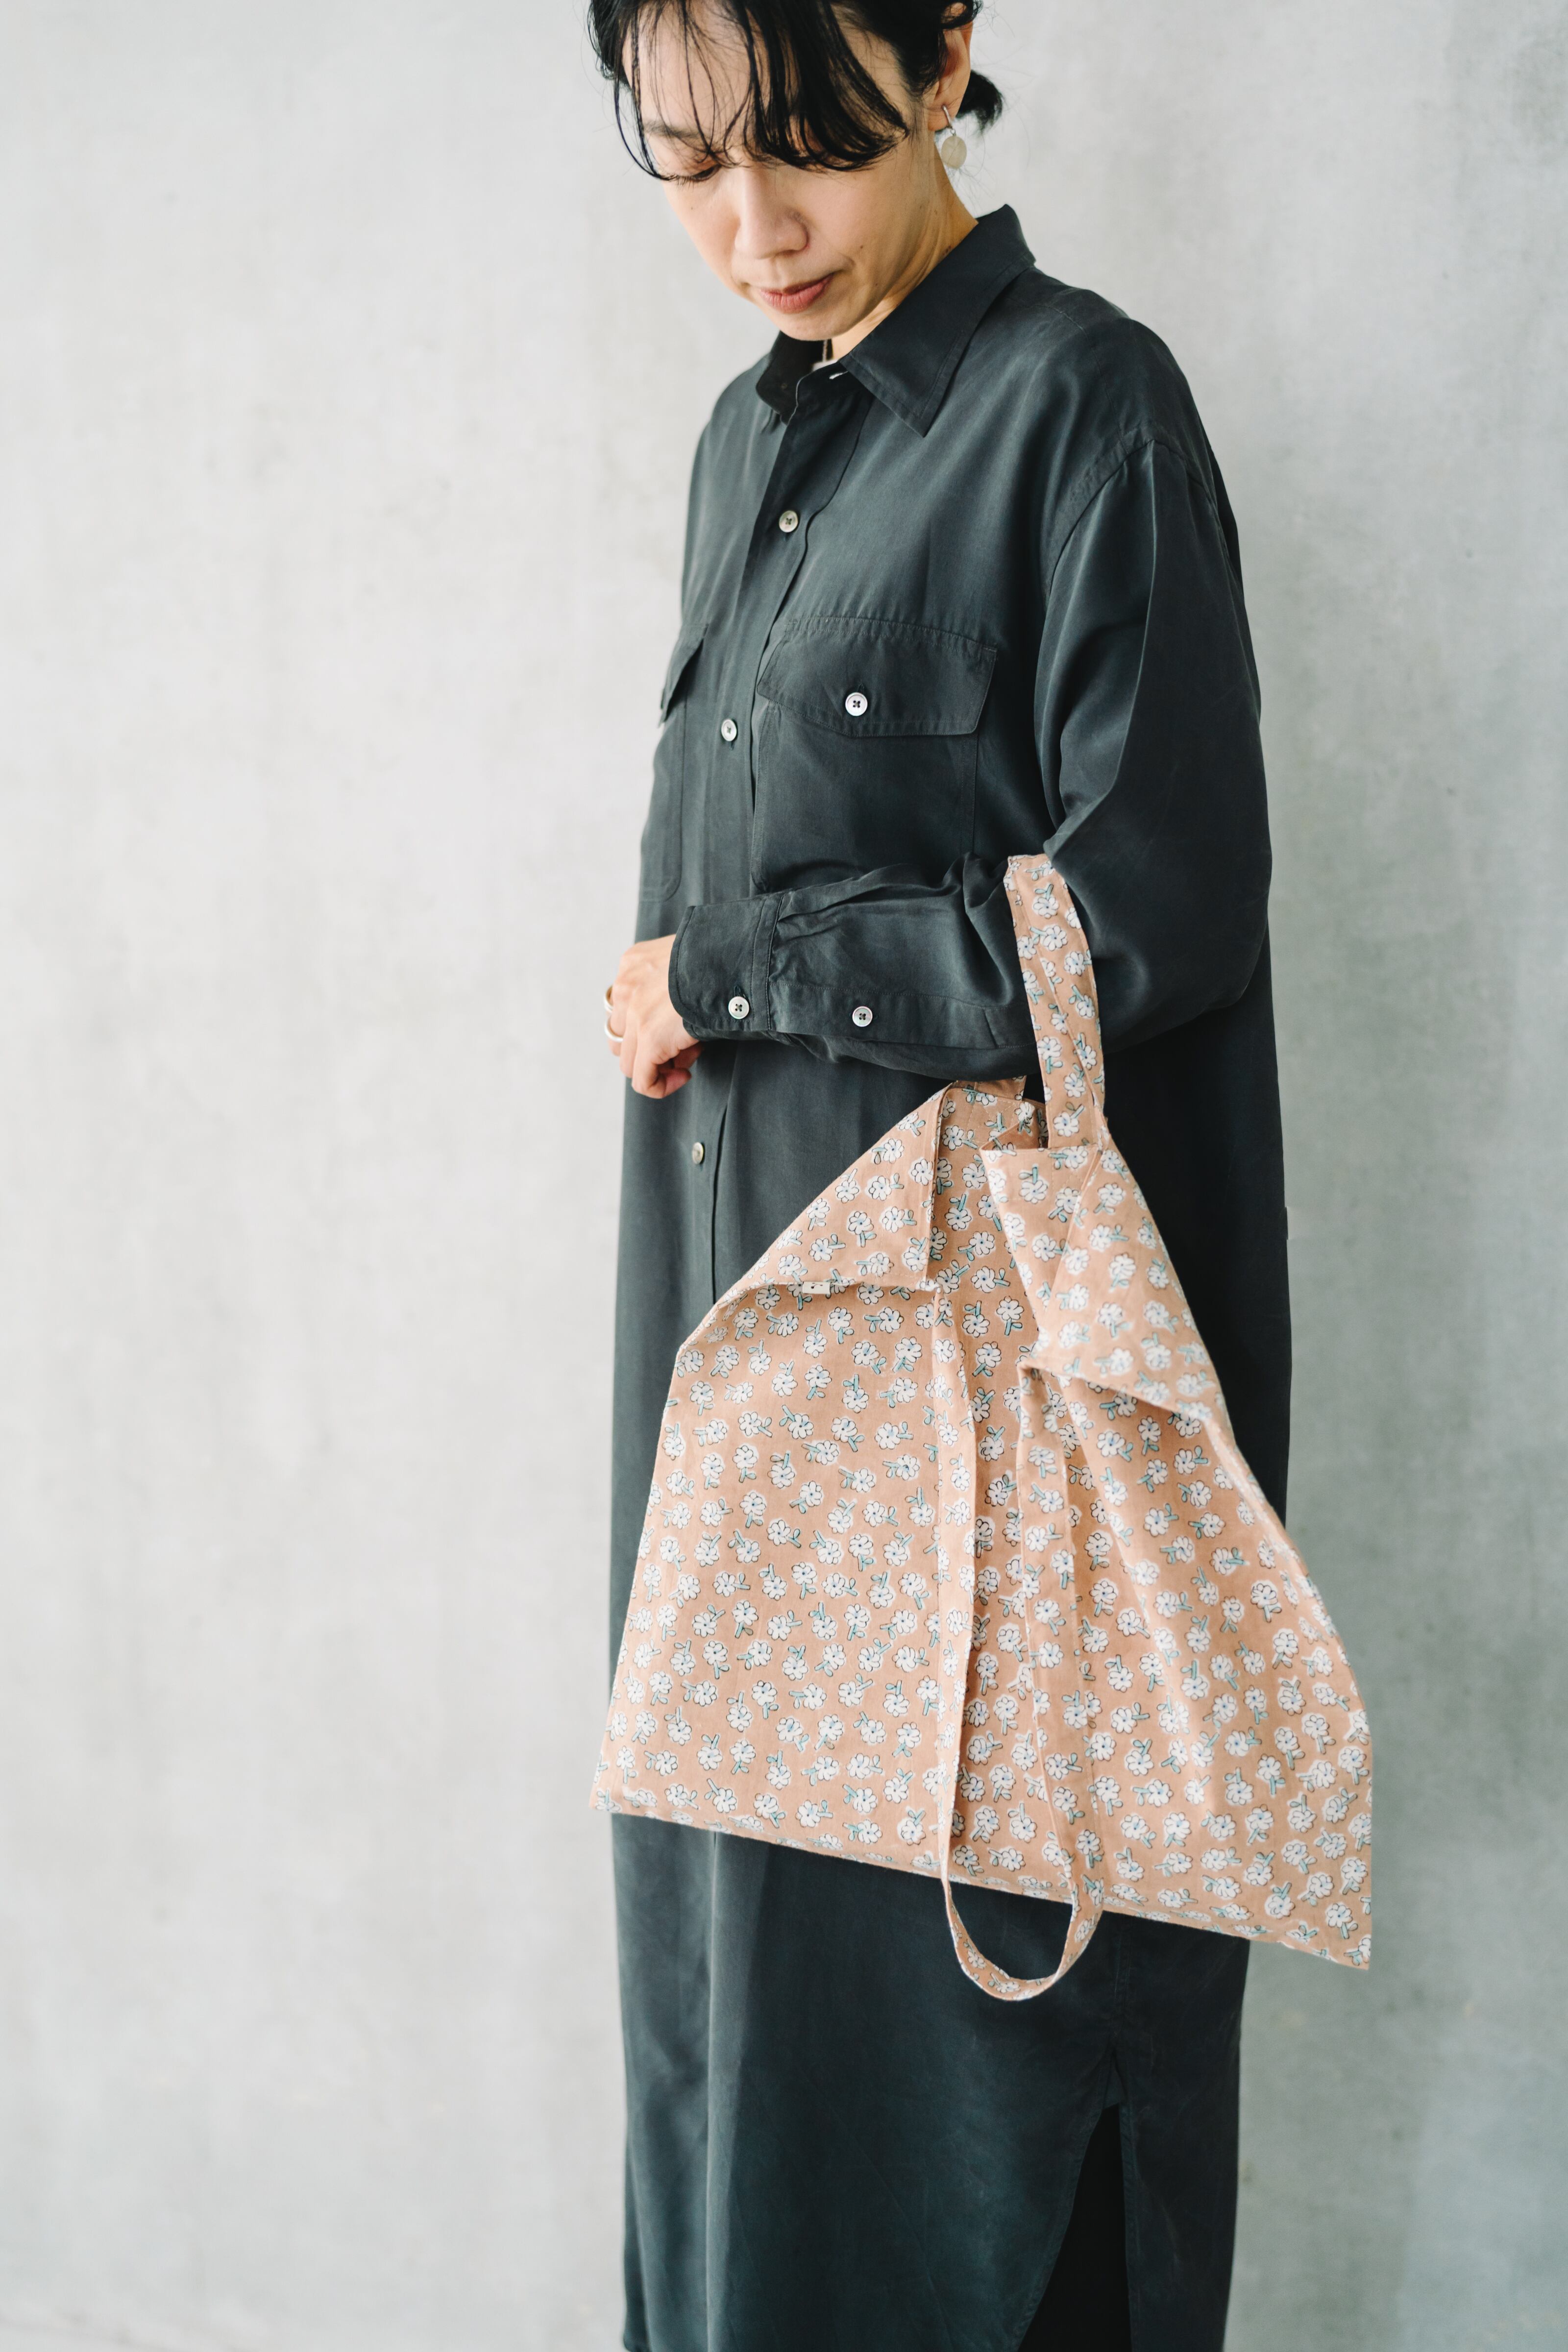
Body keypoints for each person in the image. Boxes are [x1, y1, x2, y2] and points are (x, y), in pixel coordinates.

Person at [591, 4, 1288, 2346]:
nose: (751, 224)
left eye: (800, 138)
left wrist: (739, 964)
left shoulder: (1085, 411)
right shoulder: (743, 448)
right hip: (743, 1432)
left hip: (990, 1482)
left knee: (1000, 2084)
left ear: (944, 40)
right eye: (688, 160)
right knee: (738, 2067)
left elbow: (1148, 914)